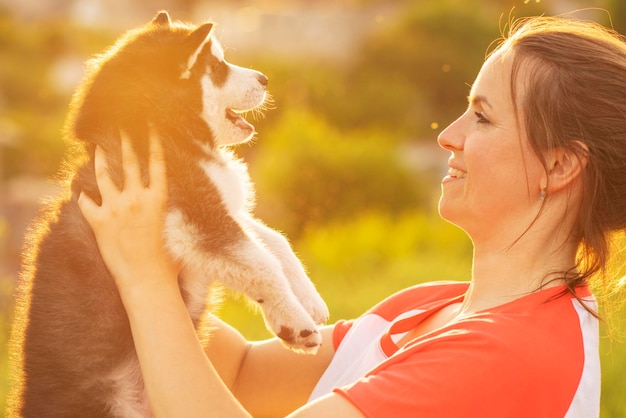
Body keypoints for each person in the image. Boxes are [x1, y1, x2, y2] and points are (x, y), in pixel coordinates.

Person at [78, 15, 626, 417]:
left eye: (482, 118)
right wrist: (136, 250)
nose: (447, 135)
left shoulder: (509, 354)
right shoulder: (426, 310)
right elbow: (240, 373)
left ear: (558, 166)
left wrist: (146, 279)